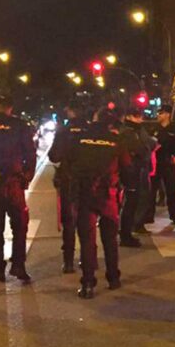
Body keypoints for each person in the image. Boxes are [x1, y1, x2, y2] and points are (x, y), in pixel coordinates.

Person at [66, 108, 132, 299]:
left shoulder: (79, 138)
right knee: (110, 239)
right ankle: (113, 278)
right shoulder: (116, 140)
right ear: (110, 124)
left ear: (94, 119)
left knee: (87, 241)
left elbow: (66, 161)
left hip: (83, 194)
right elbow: (127, 167)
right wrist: (127, 187)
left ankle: (87, 284)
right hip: (107, 194)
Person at [0, 95, 36, 283]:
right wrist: (27, 176)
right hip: (13, 182)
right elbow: (30, 153)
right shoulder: (19, 125)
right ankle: (18, 265)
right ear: (9, 108)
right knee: (19, 224)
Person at [48, 102, 86, 273]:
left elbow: (54, 156)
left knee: (69, 221)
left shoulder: (63, 131)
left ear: (71, 111)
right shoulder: (90, 130)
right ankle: (88, 258)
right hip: (87, 179)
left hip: (68, 179)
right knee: (87, 221)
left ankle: (69, 261)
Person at [117, 110, 154, 247]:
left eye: (141, 116)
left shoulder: (137, 130)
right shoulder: (127, 132)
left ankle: (127, 232)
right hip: (131, 172)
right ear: (128, 116)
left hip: (138, 170)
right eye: (136, 116)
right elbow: (139, 148)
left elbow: (148, 144)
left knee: (134, 201)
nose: (140, 119)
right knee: (130, 203)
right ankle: (125, 234)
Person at [149, 105, 175, 225]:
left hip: (169, 163)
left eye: (161, 113)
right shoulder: (154, 129)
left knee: (170, 190)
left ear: (168, 115)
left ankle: (174, 216)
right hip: (156, 163)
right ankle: (149, 215)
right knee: (152, 191)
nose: (159, 115)